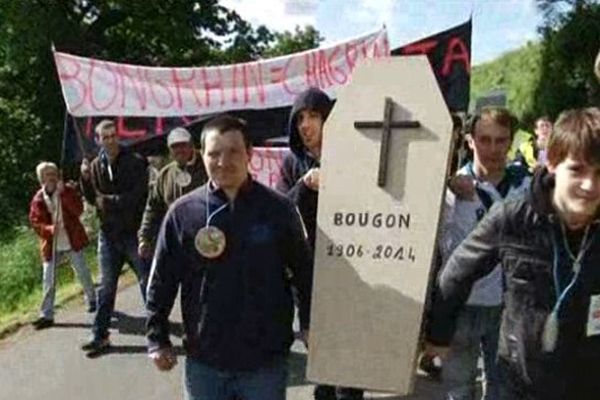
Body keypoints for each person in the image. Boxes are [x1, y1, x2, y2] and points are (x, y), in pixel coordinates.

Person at [428, 107, 600, 399]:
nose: (590, 185)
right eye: (578, 170)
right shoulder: (514, 217)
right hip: (521, 383)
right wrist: (439, 337)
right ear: (554, 163)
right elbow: (456, 273)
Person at [146, 114, 313, 400]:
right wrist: (156, 338)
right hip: (205, 363)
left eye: (234, 151)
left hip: (265, 362)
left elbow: (303, 273)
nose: (223, 162)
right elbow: (162, 279)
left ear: (249, 153)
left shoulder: (279, 210)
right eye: (214, 153)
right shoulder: (183, 214)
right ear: (203, 156)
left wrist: (309, 324)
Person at [428, 107, 530, 400]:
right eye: (485, 139)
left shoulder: (525, 185)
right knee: (458, 390)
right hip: (462, 306)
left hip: (507, 305)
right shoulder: (449, 189)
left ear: (510, 142)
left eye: (501, 140)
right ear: (470, 141)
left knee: (503, 389)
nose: (493, 149)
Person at [276, 87, 364, 400]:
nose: (306, 124)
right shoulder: (291, 164)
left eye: (314, 116)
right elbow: (281, 211)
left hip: (351, 268)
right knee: (320, 346)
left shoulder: (354, 155)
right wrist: (305, 185)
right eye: (300, 118)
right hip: (310, 271)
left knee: (349, 355)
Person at [79, 119, 150, 355]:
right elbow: (92, 199)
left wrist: (109, 201)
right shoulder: (95, 165)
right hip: (108, 235)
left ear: (117, 136)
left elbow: (138, 195)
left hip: (132, 232)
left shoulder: (135, 161)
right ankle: (100, 335)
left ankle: (157, 330)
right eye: (104, 137)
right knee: (106, 288)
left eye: (112, 135)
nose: (109, 140)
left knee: (146, 282)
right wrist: (84, 179)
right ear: (97, 140)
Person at [28, 162, 96, 329]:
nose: (51, 177)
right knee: (48, 279)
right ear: (41, 179)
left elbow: (78, 210)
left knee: (82, 271)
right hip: (51, 244)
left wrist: (64, 194)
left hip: (71, 239)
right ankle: (46, 314)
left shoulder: (67, 190)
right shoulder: (38, 199)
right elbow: (35, 223)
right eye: (46, 175)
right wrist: (48, 229)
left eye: (53, 173)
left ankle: (92, 300)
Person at [138, 127, 207, 259]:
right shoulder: (164, 175)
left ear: (191, 145)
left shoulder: (208, 165)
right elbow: (152, 208)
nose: (179, 150)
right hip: (180, 241)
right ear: (169, 150)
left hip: (209, 235)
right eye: (175, 146)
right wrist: (144, 237)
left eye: (183, 145)